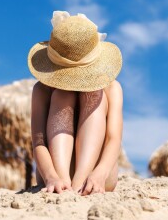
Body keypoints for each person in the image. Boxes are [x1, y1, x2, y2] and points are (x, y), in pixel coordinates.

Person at [27, 11, 123, 195]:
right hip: (53, 174)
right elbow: (38, 142)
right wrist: (51, 177)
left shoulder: (112, 88)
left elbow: (113, 138)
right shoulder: (42, 90)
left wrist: (99, 174)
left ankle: (80, 180)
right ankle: (64, 180)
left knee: (95, 94)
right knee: (61, 95)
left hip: (98, 174)